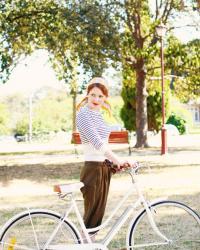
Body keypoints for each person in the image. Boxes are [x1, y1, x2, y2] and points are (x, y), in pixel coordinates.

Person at [76, 77, 137, 238]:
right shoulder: (83, 114)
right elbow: (97, 143)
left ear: (105, 98)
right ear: (87, 95)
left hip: (102, 168)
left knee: (97, 219)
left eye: (100, 96)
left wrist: (115, 163)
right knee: (91, 219)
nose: (96, 99)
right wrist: (118, 160)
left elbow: (104, 144)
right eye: (93, 95)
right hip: (92, 170)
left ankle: (89, 247)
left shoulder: (100, 115)